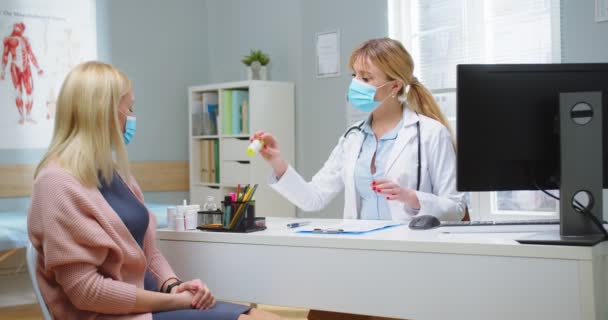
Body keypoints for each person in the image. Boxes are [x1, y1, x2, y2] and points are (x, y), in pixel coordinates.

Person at [28, 61, 281, 320]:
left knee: (269, 318)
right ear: (104, 113)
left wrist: (173, 285)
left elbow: (148, 253)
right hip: (111, 315)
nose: (133, 117)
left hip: (151, 303)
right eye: (130, 108)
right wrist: (172, 301)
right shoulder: (55, 183)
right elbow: (86, 292)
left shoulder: (114, 173)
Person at [253, 36, 467, 320]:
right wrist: (278, 163)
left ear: (394, 86)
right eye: (354, 75)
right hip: (357, 257)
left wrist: (412, 197)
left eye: (366, 77)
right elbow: (314, 198)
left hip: (409, 262)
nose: (356, 84)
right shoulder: (352, 137)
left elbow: (457, 207)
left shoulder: (430, 133)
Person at [1, 22, 43, 124]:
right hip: (15, 67)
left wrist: (38, 68)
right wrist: (2, 70)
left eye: (19, 28)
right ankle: (21, 116)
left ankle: (28, 114)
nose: (17, 29)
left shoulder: (25, 40)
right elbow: (5, 55)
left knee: (29, 91)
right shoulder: (9, 40)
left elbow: (30, 54)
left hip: (26, 67)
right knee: (18, 92)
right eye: (16, 27)